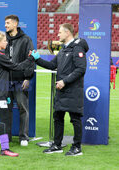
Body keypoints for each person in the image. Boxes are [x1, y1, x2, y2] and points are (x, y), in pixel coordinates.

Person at [31, 23, 89, 156]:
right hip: (62, 90)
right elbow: (52, 65)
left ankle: (77, 147)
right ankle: (57, 145)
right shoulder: (63, 50)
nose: (58, 34)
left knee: (75, 119)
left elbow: (81, 69)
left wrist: (64, 81)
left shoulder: (78, 48)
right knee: (57, 117)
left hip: (73, 90)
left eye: (60, 32)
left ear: (68, 32)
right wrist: (37, 59)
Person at [0, 31, 35, 157]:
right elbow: (17, 67)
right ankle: (4, 149)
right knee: (5, 120)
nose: (7, 42)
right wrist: (31, 58)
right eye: (4, 41)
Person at [0, 15, 34, 146]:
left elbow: (31, 59)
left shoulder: (26, 40)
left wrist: (27, 77)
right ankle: (6, 137)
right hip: (5, 81)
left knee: (23, 108)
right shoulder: (2, 39)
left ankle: (23, 137)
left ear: (15, 24)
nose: (5, 25)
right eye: (5, 23)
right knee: (6, 110)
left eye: (8, 23)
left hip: (19, 81)